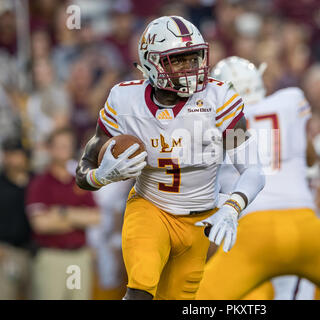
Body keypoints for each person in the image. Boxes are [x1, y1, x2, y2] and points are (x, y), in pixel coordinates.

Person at [75, 16, 265, 300]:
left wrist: (233, 207)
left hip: (198, 223)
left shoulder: (219, 99)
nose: (191, 68)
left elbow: (253, 170)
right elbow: (84, 168)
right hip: (151, 210)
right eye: (179, 60)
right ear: (151, 62)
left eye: (195, 57)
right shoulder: (125, 100)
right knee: (141, 290)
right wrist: (100, 176)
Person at [196, 56, 320, 300]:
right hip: (305, 223)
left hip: (254, 231)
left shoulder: (215, 124)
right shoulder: (290, 99)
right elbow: (310, 158)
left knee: (201, 299)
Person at [26, 128, 101, 300]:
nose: (63, 150)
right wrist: (78, 218)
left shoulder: (79, 181)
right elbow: (41, 224)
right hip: (52, 257)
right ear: (50, 149)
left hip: (79, 256)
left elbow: (96, 217)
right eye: (59, 146)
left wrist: (62, 212)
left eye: (66, 146)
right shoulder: (40, 183)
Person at [0, 139, 32, 299]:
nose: (12, 159)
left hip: (35, 251)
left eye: (15, 154)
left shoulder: (36, 181)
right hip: (7, 252)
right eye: (8, 154)